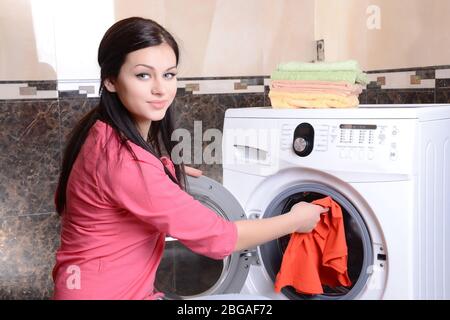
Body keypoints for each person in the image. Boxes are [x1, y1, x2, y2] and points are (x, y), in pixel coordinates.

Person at [52, 17, 328, 300]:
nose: (161, 89)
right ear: (111, 80)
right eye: (143, 75)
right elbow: (219, 239)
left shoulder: (100, 131)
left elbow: (114, 184)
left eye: (169, 74)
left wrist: (162, 169)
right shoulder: (127, 163)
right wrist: (296, 219)